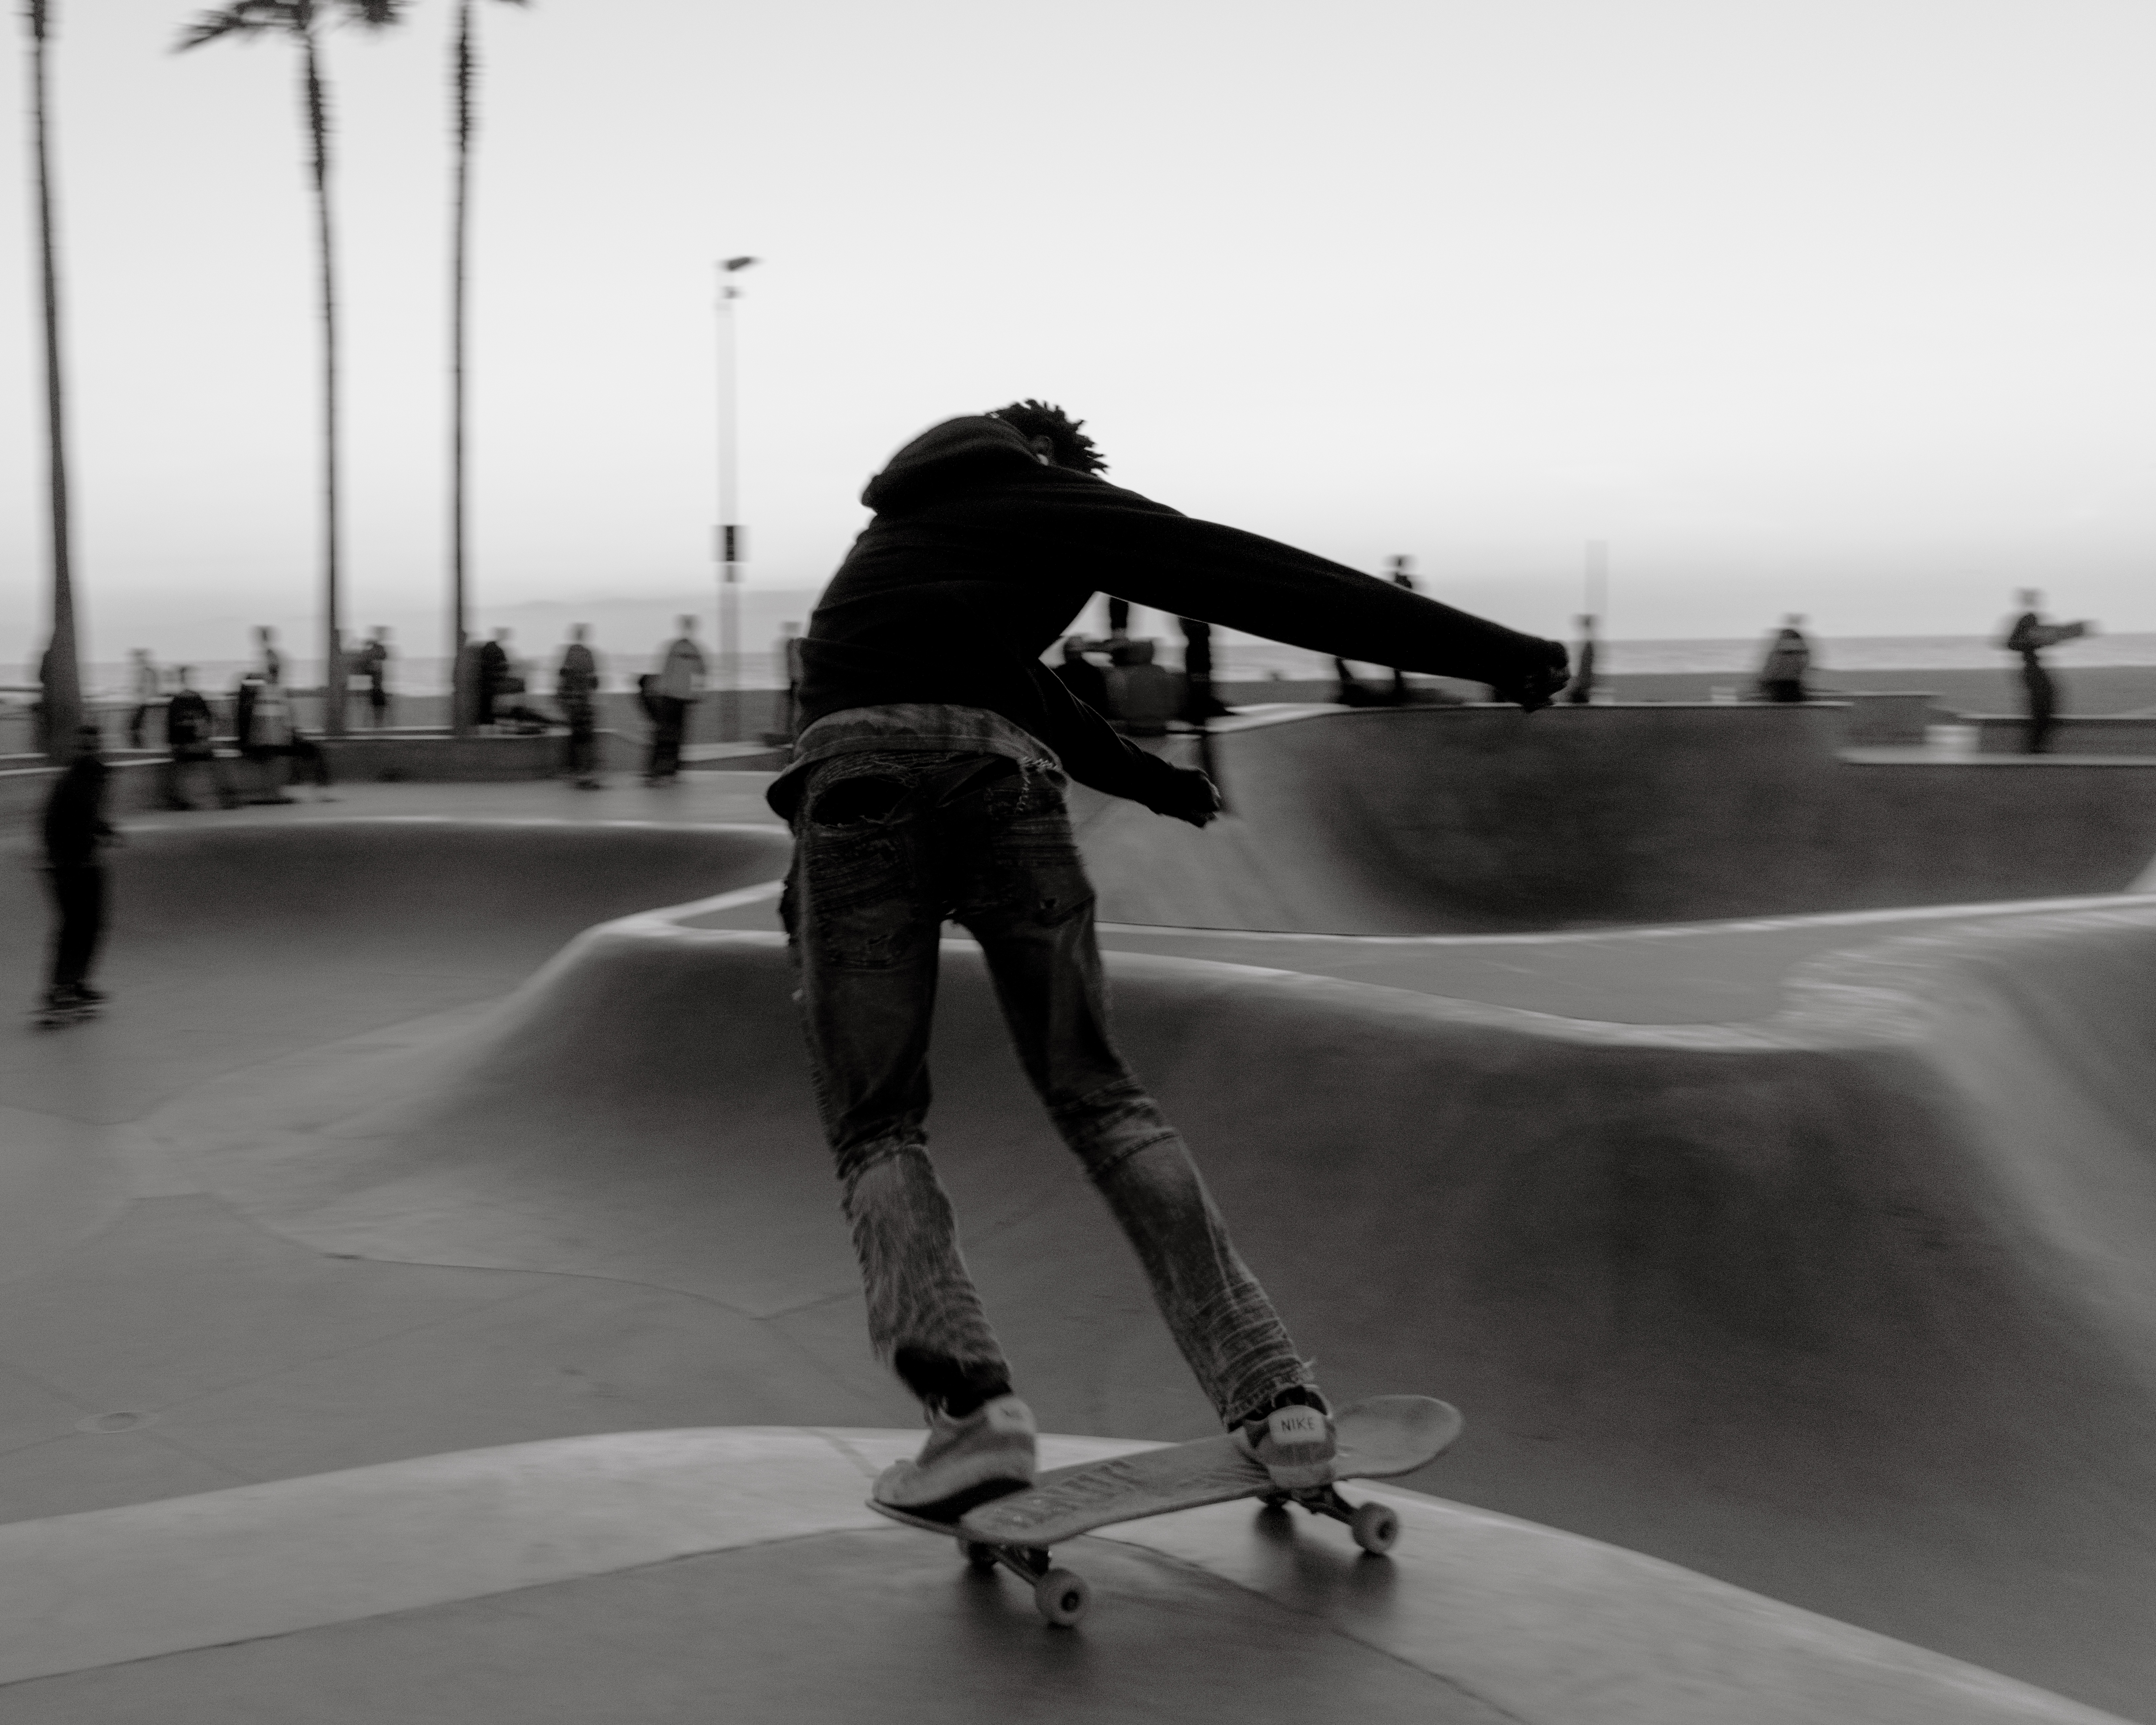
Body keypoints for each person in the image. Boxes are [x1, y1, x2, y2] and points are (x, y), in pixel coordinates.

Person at [772, 400, 1568, 1518]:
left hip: (847, 795)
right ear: (1049, 461)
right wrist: (1497, 655)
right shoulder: (1041, 491)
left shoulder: (890, 542)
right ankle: (1273, 1395)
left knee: (877, 1120)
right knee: (1099, 1097)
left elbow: (1007, 683)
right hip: (999, 792)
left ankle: (972, 1420)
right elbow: (1239, 572)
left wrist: (1153, 779)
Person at [41, 725, 116, 1017]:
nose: (88, 752)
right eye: (83, 748)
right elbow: (52, 825)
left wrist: (105, 830)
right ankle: (59, 988)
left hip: (90, 861)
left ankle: (78, 982)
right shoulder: (68, 782)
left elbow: (90, 816)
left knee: (95, 924)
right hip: (68, 865)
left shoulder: (100, 776)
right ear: (78, 750)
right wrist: (59, 864)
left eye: (92, 747)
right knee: (73, 926)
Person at [2001, 589, 2090, 755]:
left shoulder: (2029, 619)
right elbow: (2012, 643)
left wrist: (2048, 638)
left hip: (2033, 669)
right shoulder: (2028, 619)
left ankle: (2036, 746)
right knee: (2044, 706)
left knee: (2044, 705)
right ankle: (2035, 748)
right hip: (2031, 670)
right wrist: (2035, 640)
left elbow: (2023, 642)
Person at [240, 667, 334, 802]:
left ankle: (317, 789)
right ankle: (308, 790)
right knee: (306, 751)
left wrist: (291, 733)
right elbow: (265, 727)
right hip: (268, 742)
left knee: (312, 750)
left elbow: (283, 722)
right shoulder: (264, 695)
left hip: (277, 740)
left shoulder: (272, 693)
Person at [162, 668, 238, 810]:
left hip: (186, 746)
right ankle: (227, 797)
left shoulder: (177, 702)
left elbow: (172, 731)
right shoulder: (196, 700)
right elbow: (209, 722)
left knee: (178, 767)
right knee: (215, 764)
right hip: (196, 745)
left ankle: (175, 799)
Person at [646, 616, 705, 783]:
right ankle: (664, 768)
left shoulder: (680, 647)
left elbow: (666, 669)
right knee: (670, 733)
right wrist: (698, 692)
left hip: (674, 697)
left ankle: (667, 768)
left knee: (670, 733)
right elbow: (701, 673)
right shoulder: (691, 649)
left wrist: (697, 692)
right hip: (673, 697)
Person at [556, 625, 603, 788]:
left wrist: (564, 699)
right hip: (582, 702)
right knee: (584, 738)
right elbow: (595, 681)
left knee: (576, 737)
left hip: (574, 702)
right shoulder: (587, 654)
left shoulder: (569, 654)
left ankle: (574, 770)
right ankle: (582, 770)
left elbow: (563, 677)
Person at [1756, 615, 1812, 703]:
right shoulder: (1799, 650)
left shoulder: (1780, 651)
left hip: (1783, 686)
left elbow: (1771, 668)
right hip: (1788, 685)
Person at [354, 627, 392, 728]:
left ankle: (376, 726)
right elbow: (382, 656)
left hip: (377, 688)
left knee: (378, 709)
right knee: (378, 709)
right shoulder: (374, 657)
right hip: (376, 688)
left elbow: (383, 655)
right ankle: (377, 727)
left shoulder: (374, 656)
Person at [476, 628, 513, 728]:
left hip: (486, 684)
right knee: (488, 708)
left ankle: (486, 724)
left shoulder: (487, 648)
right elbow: (504, 667)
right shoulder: (497, 650)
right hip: (491, 684)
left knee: (486, 708)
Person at [125, 649, 162, 749]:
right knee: (135, 727)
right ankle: (139, 746)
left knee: (135, 728)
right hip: (141, 702)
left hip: (142, 702)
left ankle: (139, 747)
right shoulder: (147, 670)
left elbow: (142, 687)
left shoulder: (145, 671)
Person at [1566, 615, 1598, 705]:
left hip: (1583, 683)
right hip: (1584, 683)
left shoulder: (1589, 643)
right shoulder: (1589, 641)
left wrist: (1580, 683)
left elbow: (1586, 665)